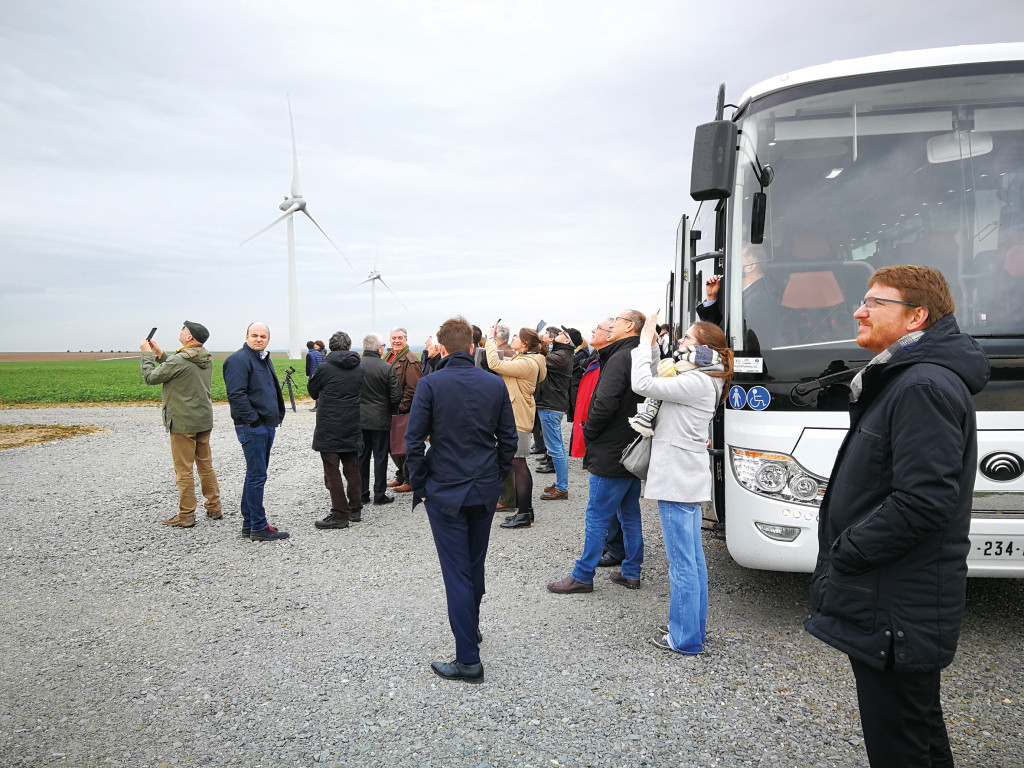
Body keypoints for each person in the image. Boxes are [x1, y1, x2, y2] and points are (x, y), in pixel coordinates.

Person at [804, 266, 988, 768]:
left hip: (896, 603)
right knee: (917, 732)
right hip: (895, 598)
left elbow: (925, 501)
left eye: (873, 303)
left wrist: (848, 551)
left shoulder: (920, 386)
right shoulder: (907, 377)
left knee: (901, 747)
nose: (858, 311)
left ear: (916, 317)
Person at [405, 316, 518, 684]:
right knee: (474, 563)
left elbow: (413, 441)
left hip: (447, 489)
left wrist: (421, 485)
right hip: (482, 487)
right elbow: (508, 440)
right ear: (471, 347)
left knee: (457, 571)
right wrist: (496, 476)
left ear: (441, 348)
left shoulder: (431, 384)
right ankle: (472, 628)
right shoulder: (493, 383)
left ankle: (468, 659)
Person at [632, 316, 732, 654]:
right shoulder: (703, 376)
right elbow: (662, 375)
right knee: (692, 560)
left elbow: (643, 383)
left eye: (687, 336)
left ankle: (686, 639)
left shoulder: (697, 381)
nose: (681, 340)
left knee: (683, 562)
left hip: (677, 479)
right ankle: (691, 628)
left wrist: (645, 343)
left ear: (703, 347)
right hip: (685, 478)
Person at [548, 310, 645, 594]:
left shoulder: (618, 357)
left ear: (629, 326)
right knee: (629, 513)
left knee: (597, 514)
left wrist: (588, 431)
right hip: (630, 447)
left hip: (611, 448)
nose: (611, 325)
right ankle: (631, 571)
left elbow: (604, 402)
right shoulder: (638, 354)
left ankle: (583, 575)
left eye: (616, 321)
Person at [139, 321, 220, 528]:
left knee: (183, 470)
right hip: (202, 420)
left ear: (190, 337)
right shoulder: (205, 357)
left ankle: (186, 514)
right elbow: (179, 367)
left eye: (184, 329)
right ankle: (214, 507)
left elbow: (151, 378)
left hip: (183, 423)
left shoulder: (181, 360)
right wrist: (160, 353)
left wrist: (147, 355)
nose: (181, 331)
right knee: (205, 466)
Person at [223, 322, 289, 541]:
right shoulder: (239, 360)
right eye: (254, 335)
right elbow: (236, 395)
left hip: (266, 424)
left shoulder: (261, 357)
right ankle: (259, 527)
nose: (259, 339)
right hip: (254, 427)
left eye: (263, 336)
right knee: (257, 476)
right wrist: (254, 421)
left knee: (254, 474)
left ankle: (249, 523)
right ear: (246, 336)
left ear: (268, 339)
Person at [570, 319, 624, 567]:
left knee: (604, 504)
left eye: (598, 329)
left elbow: (604, 403)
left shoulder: (611, 360)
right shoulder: (599, 357)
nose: (592, 331)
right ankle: (615, 548)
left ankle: (610, 550)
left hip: (605, 441)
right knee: (617, 505)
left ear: (610, 335)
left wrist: (589, 431)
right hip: (597, 437)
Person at [485, 326, 547, 529]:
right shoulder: (525, 360)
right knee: (517, 463)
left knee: (518, 464)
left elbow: (494, 363)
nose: (513, 339)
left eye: (516, 338)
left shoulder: (526, 363)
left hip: (518, 418)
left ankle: (523, 514)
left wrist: (492, 340)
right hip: (517, 416)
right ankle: (526, 511)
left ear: (526, 343)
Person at [307, 331, 363, 530]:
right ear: (349, 347)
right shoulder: (359, 366)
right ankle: (355, 508)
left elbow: (312, 391)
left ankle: (340, 514)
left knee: (332, 471)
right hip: (352, 422)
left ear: (330, 347)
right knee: (352, 468)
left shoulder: (324, 368)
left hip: (329, 425)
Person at [696, 243, 780, 349]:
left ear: (750, 267)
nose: (730, 267)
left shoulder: (760, 299)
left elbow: (739, 340)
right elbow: (719, 332)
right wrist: (711, 297)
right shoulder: (748, 294)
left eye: (736, 261)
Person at [359, 334, 402, 508]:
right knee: (380, 457)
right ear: (379, 349)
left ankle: (362, 494)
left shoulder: (356, 366)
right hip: (381, 419)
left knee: (361, 457)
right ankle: (379, 493)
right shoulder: (386, 367)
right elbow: (396, 394)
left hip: (360, 418)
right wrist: (389, 409)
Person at [534, 326, 573, 501]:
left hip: (550, 405)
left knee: (555, 448)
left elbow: (537, 362)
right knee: (557, 448)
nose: (560, 334)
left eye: (563, 334)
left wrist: (537, 342)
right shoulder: (560, 354)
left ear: (567, 341)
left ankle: (562, 487)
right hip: (551, 403)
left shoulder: (560, 356)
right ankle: (560, 484)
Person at [385, 327, 422, 494]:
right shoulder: (388, 357)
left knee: (404, 447)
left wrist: (401, 406)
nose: (396, 341)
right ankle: (400, 475)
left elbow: (414, 387)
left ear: (406, 340)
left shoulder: (410, 360)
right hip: (389, 409)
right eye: (394, 338)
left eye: (400, 338)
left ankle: (409, 480)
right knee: (393, 446)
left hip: (404, 411)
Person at [305, 340, 323, 412]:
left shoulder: (309, 355)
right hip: (320, 372)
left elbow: (308, 366)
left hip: (313, 374)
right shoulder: (319, 353)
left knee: (315, 390)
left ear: (308, 347)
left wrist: (307, 375)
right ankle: (318, 406)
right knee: (319, 390)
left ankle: (317, 407)